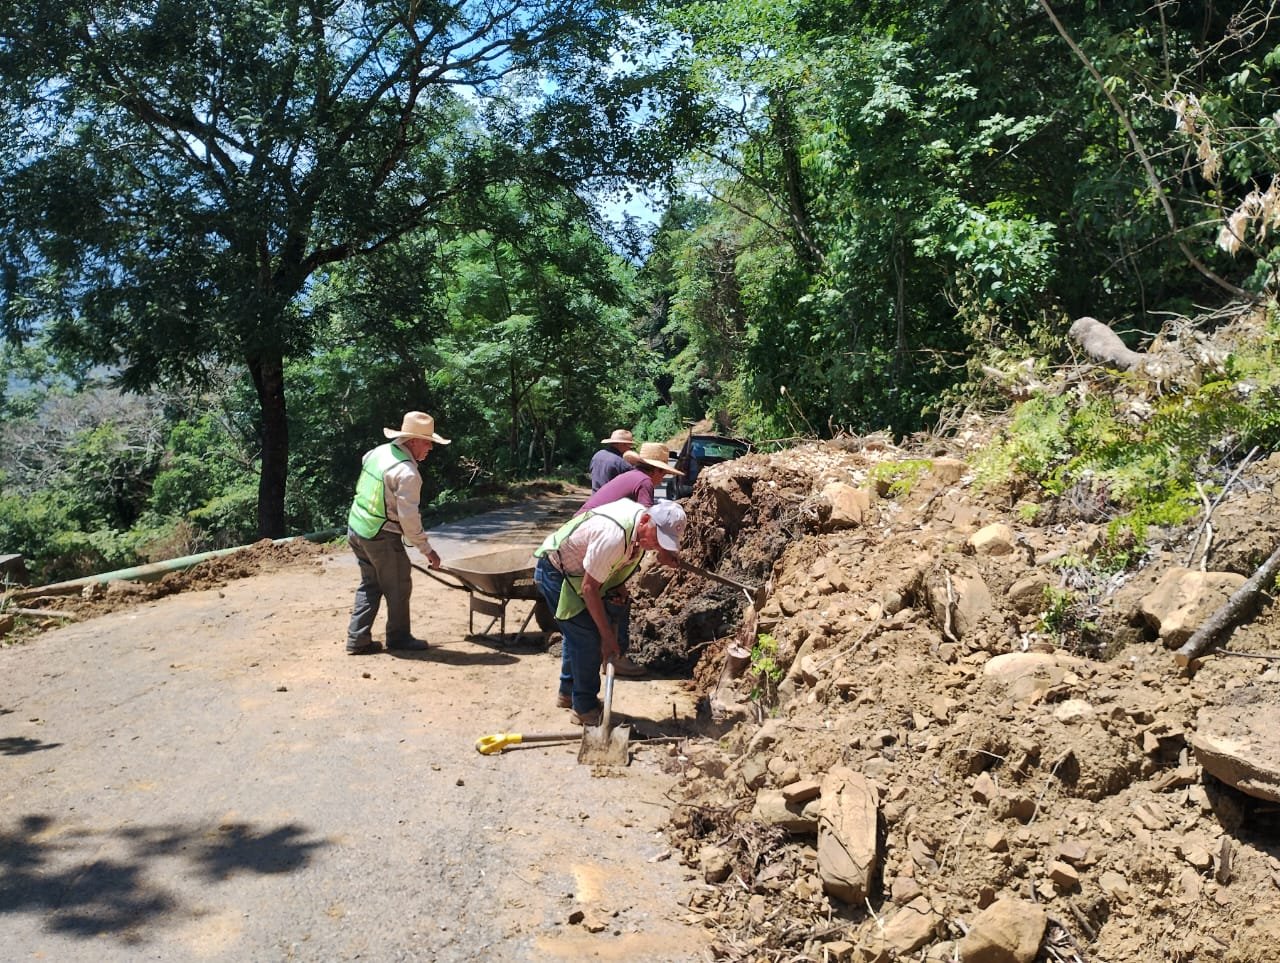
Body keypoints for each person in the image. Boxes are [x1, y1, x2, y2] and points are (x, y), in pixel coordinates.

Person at [533, 498, 687, 725]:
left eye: (663, 542)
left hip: (580, 575)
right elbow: (589, 588)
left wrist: (622, 584)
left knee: (579, 637)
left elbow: (615, 564)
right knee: (588, 638)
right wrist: (607, 637)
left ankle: (568, 694)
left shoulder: (639, 528)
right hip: (558, 573)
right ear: (646, 519)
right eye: (657, 538)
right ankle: (584, 708)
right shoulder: (614, 535)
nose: (655, 544)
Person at [572, 442, 684, 677]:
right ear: (656, 470)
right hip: (599, 537)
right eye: (663, 473)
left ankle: (572, 681)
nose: (662, 479)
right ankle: (615, 654)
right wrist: (663, 552)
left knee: (583, 607)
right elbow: (647, 523)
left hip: (584, 532)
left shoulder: (632, 476)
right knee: (616, 599)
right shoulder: (643, 482)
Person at [345, 411, 451, 655]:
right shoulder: (408, 474)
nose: (430, 448)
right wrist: (428, 550)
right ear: (412, 441)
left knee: (371, 583)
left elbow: (366, 466)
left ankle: (357, 639)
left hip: (356, 527)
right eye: (427, 442)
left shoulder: (379, 452)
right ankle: (399, 637)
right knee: (399, 586)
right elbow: (409, 519)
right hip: (380, 534)